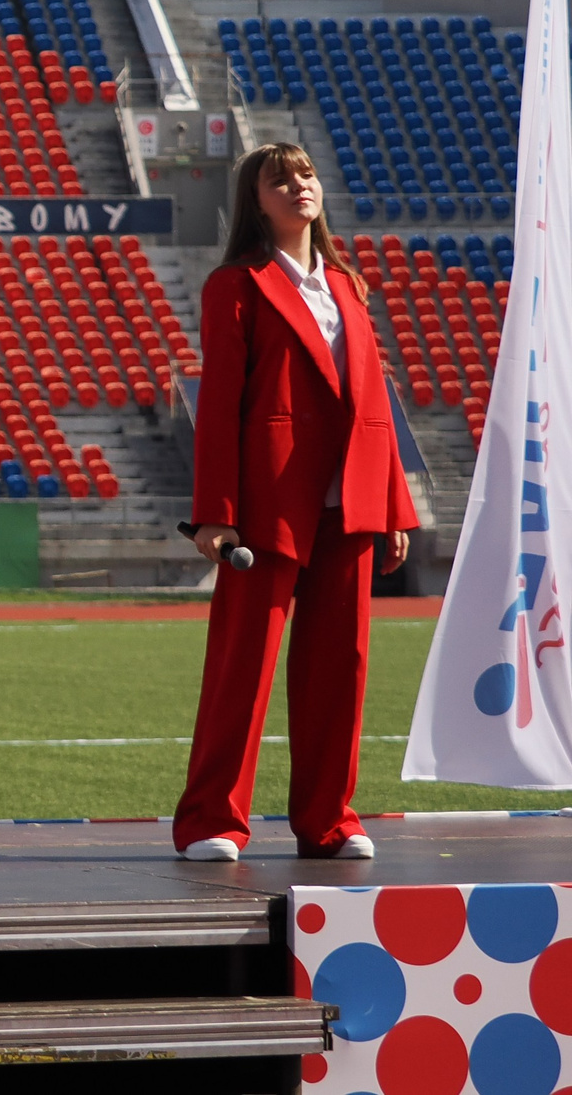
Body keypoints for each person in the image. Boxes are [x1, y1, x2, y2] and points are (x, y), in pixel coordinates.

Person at [175, 142, 412, 862]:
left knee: (342, 666)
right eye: (280, 179)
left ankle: (329, 820)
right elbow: (218, 406)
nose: (298, 186)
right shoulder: (235, 285)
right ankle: (212, 819)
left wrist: (395, 503)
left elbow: (376, 399)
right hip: (268, 504)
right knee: (241, 665)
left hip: (351, 500)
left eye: (305, 174)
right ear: (257, 201)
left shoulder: (348, 284)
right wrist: (216, 511)